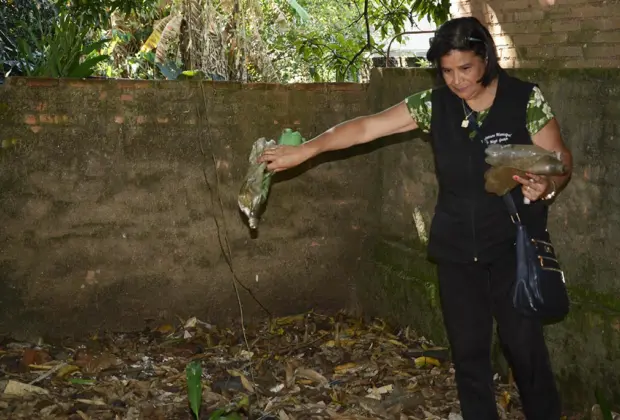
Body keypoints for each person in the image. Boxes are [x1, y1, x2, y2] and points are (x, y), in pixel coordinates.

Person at [258, 16, 573, 420]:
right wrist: (306, 150)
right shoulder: (433, 104)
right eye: (446, 71)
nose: (456, 80)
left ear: (486, 59)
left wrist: (545, 187)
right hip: (457, 250)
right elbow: (367, 127)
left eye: (465, 68)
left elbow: (560, 162)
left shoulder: (525, 98)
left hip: (513, 247)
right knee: (469, 355)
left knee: (524, 349)